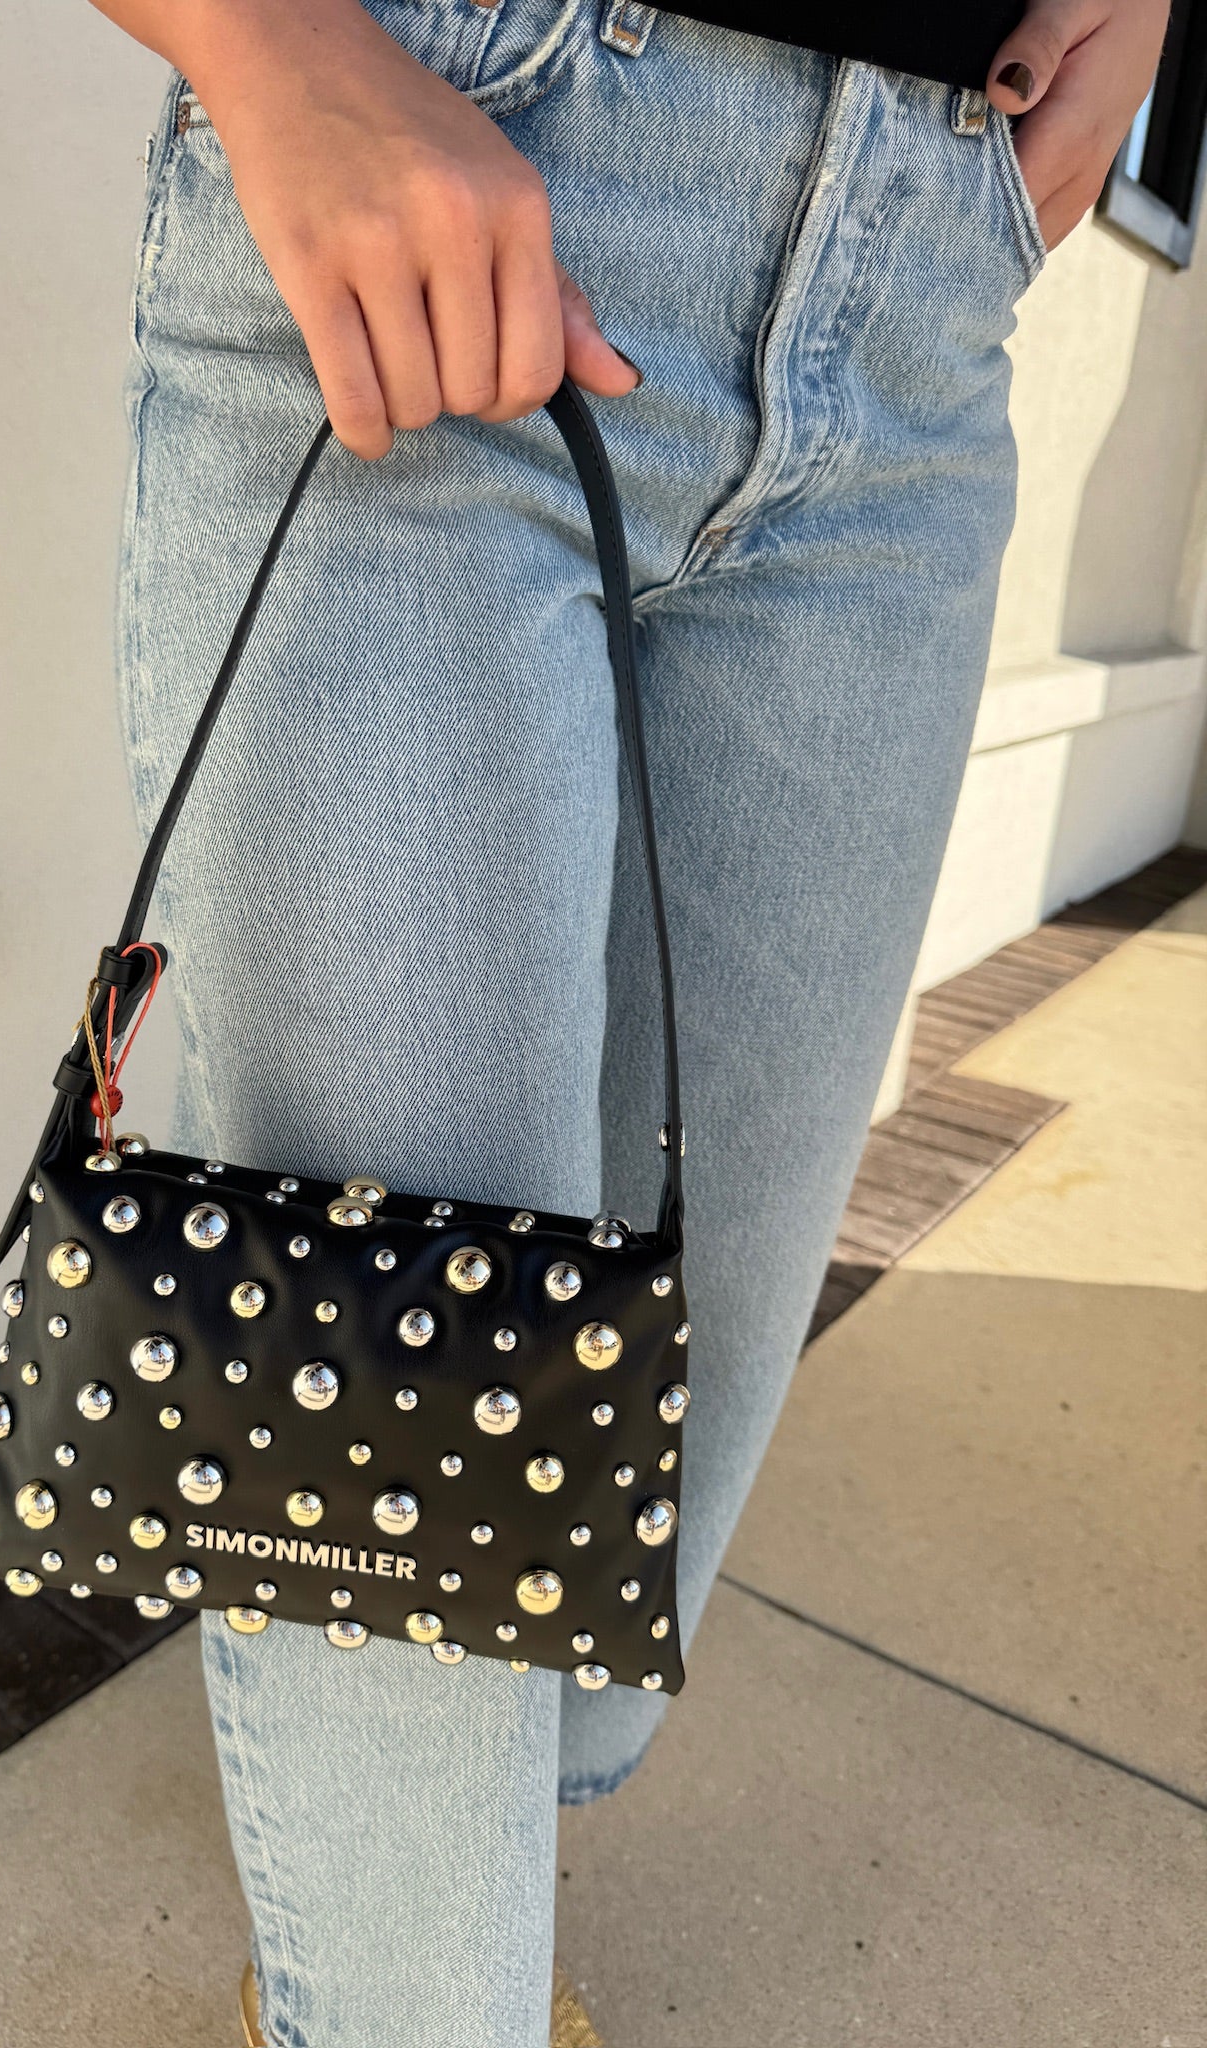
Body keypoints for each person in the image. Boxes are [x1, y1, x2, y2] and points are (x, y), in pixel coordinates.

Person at [83, 2, 1167, 2042]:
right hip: (450, 179)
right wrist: (260, 40)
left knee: (708, 1314)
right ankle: (407, 1997)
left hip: (922, 290)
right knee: (377, 1349)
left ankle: (454, 1867)